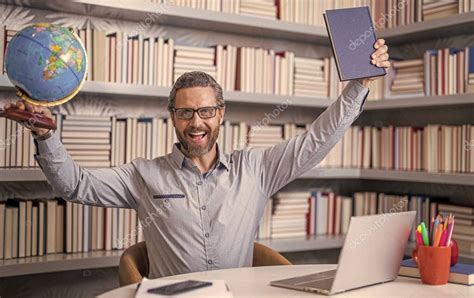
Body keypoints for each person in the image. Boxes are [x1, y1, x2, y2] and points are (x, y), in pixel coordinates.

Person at [3, 39, 390, 279]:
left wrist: (360, 85)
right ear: (172, 117)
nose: (196, 123)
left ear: (221, 114)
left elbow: (317, 140)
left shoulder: (256, 169)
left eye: (205, 112)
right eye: (185, 113)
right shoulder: (144, 175)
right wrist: (46, 135)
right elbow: (74, 185)